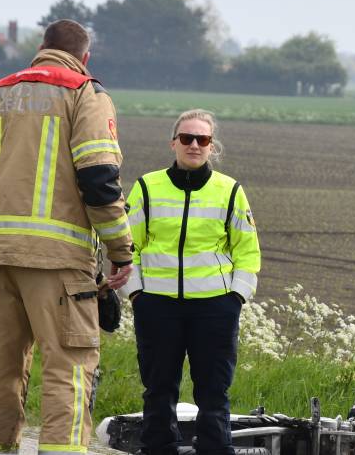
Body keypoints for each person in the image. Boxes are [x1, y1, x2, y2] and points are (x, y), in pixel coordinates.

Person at [0, 19, 134, 455]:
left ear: (41, 48)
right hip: (59, 263)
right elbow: (99, 180)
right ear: (84, 57)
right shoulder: (84, 92)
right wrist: (120, 250)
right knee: (67, 370)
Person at [119, 109, 261, 455]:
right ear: (174, 143)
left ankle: (215, 449)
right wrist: (136, 293)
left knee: (213, 391)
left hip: (215, 307)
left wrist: (236, 298)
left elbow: (247, 251)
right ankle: (158, 449)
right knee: (158, 389)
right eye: (187, 138)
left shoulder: (230, 191)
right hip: (157, 305)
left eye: (202, 139)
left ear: (212, 146)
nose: (194, 145)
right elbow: (127, 246)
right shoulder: (147, 187)